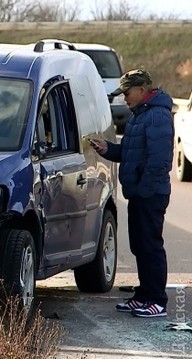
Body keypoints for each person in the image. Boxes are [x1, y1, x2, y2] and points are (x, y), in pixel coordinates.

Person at [90, 69, 173, 318]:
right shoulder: (140, 115)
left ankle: (157, 300)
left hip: (150, 194)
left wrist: (143, 190)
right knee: (140, 245)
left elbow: (159, 161)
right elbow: (129, 151)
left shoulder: (157, 115)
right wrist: (107, 149)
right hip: (140, 193)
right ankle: (144, 294)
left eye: (126, 93)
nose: (124, 98)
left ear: (141, 90)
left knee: (150, 246)